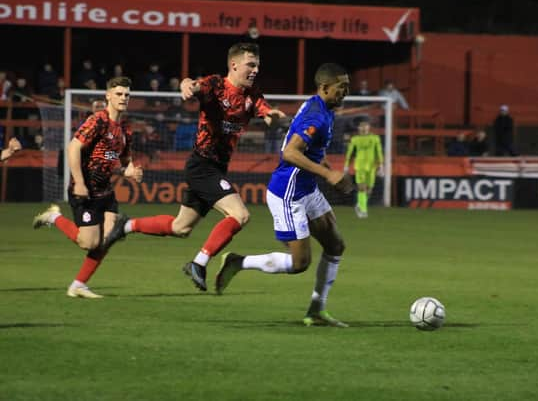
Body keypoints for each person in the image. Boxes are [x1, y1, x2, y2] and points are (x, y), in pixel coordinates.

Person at [103, 42, 286, 292]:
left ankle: (125, 225)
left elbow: (268, 117)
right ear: (234, 65)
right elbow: (193, 85)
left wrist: (274, 118)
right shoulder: (217, 85)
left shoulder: (253, 95)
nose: (255, 70)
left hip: (216, 168)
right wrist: (186, 84)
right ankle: (199, 263)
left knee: (181, 227)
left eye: (257, 66)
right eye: (250, 65)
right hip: (202, 165)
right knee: (240, 215)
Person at [213, 63, 354, 328]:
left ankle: (316, 311)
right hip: (288, 193)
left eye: (347, 86)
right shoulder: (317, 116)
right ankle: (238, 261)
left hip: (307, 188)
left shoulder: (321, 107)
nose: (346, 92)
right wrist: (328, 175)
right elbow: (289, 153)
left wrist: (328, 171)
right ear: (325, 88)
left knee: (335, 246)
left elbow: (312, 150)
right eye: (341, 87)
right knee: (300, 263)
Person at [32, 76, 143, 298]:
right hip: (85, 191)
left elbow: (118, 162)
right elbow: (73, 148)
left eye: (127, 94)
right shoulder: (98, 121)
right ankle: (54, 217)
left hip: (106, 192)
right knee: (88, 243)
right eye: (119, 93)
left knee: (107, 240)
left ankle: (78, 285)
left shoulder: (125, 129)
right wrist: (80, 182)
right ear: (108, 96)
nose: (123, 98)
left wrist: (128, 171)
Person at [344, 119, 383, 218]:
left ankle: (359, 205)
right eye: (362, 126)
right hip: (359, 166)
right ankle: (363, 211)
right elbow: (350, 153)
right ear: (359, 128)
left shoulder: (375, 138)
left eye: (366, 126)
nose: (364, 128)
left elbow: (378, 152)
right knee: (362, 188)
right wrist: (346, 165)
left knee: (369, 190)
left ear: (369, 128)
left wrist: (381, 165)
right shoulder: (355, 139)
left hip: (371, 167)